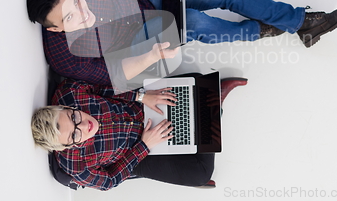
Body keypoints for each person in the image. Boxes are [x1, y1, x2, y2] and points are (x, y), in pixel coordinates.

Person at [26, 0, 337, 85]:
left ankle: (299, 23)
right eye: (72, 17)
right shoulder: (64, 57)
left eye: (79, 1)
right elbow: (115, 75)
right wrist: (152, 56)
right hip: (143, 37)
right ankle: (261, 30)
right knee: (199, 24)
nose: (85, 12)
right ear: (55, 28)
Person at [31, 76, 247, 190]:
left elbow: (101, 88)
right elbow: (109, 181)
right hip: (136, 152)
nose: (84, 126)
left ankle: (211, 105)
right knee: (201, 174)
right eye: (75, 135)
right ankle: (213, 110)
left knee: (197, 82)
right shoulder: (73, 164)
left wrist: (142, 96)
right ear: (68, 146)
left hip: (138, 108)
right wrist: (144, 146)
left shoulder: (68, 93)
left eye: (73, 117)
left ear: (65, 108)